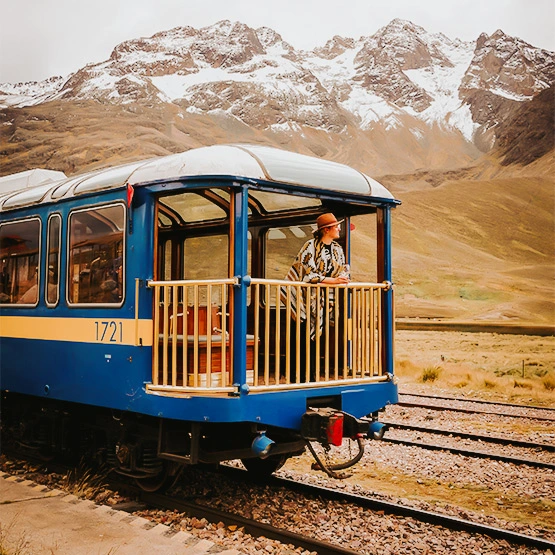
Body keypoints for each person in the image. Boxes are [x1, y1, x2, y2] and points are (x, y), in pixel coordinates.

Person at [283, 213, 350, 381]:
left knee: (315, 338)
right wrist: (334, 281)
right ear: (326, 230)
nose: (339, 228)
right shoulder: (309, 247)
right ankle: (294, 376)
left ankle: (311, 377)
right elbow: (309, 276)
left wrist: (339, 279)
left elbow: (343, 270)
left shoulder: (337, 249)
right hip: (300, 299)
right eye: (336, 226)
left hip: (321, 299)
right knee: (299, 336)